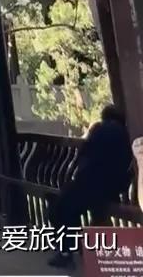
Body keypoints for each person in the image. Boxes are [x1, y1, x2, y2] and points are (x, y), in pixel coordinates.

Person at [48, 105, 133, 269]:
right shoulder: (125, 134)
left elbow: (84, 154)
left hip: (91, 184)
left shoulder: (99, 130)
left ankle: (66, 253)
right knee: (71, 207)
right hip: (112, 187)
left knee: (60, 208)